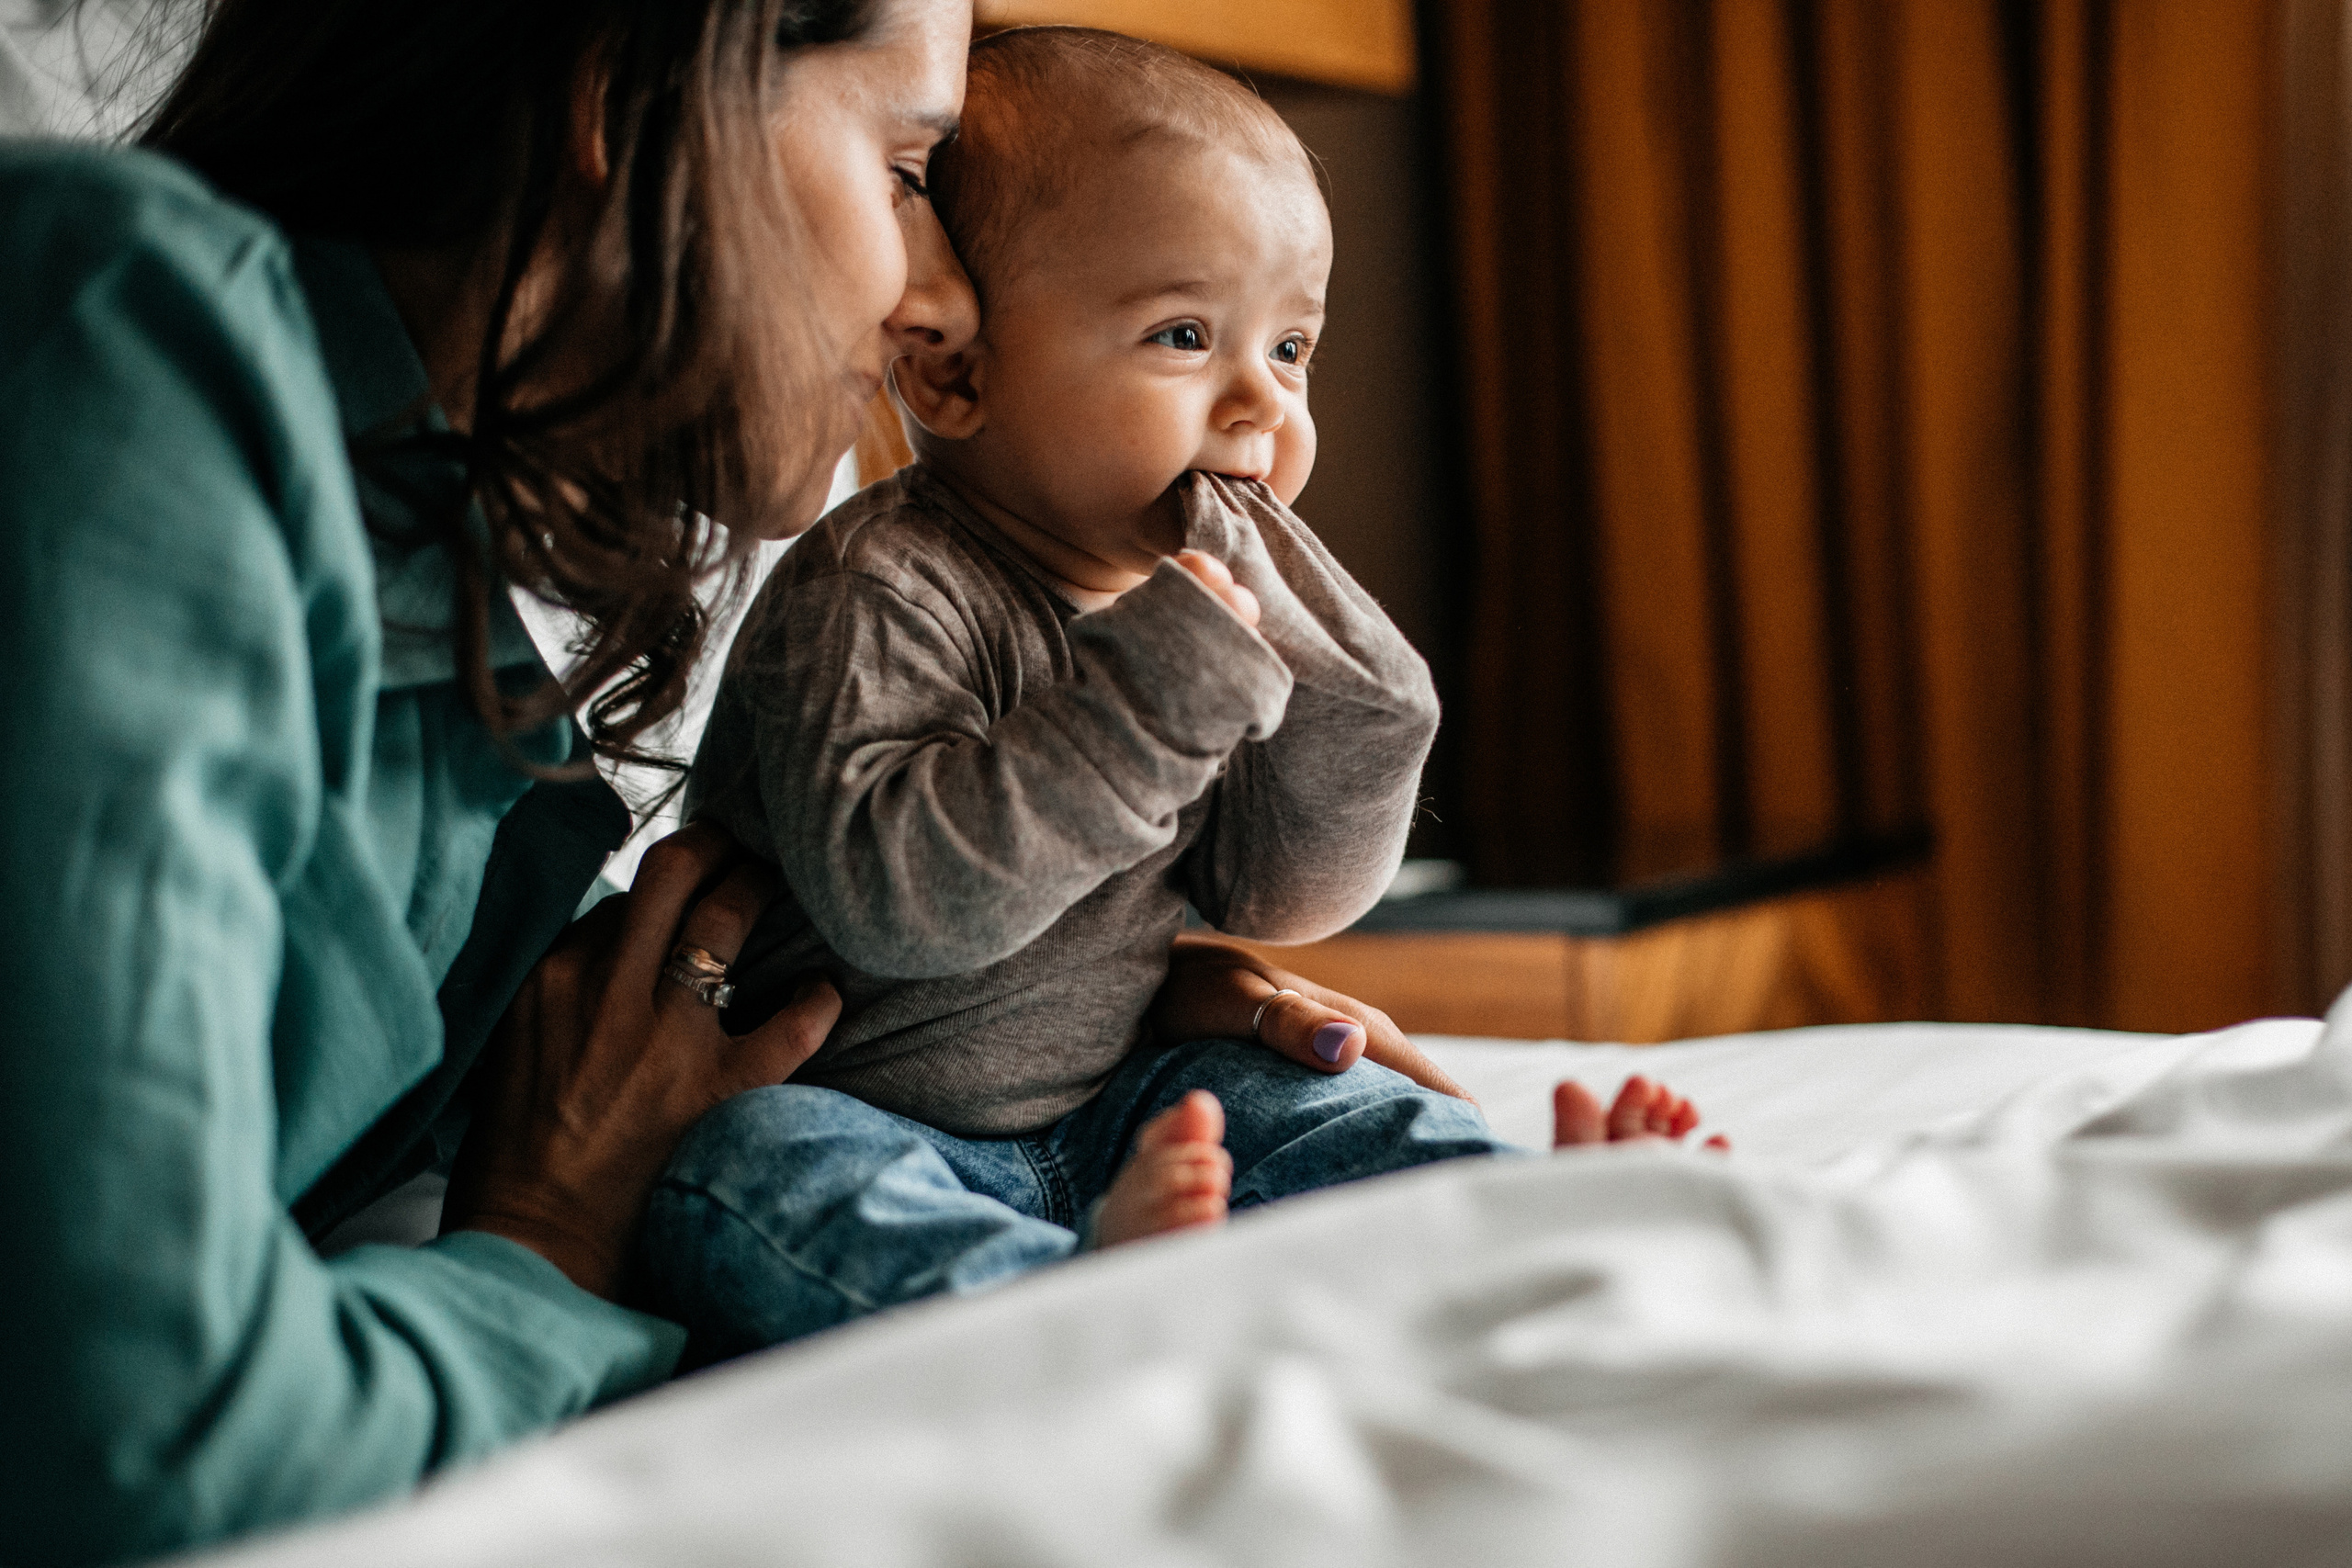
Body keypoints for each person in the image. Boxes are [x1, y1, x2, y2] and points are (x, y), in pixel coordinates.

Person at [0, 2, 1453, 1561]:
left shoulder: (445, 661)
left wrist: (1060, 1012)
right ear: (624, 92)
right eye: (910, 168)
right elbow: (144, 1451)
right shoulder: (117, 323)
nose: (941, 301)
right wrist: (543, 1246)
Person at [639, 28, 1722, 1361]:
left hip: (1122, 1103)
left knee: (1329, 1103)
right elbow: (897, 900)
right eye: (1186, 335)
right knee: (741, 1175)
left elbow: (1281, 899)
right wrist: (1147, 705)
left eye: (1293, 348)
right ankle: (1065, 1315)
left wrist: (1371, 706)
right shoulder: (878, 584)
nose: (1259, 402)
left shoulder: (1195, 616)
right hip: (866, 1110)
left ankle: (1523, 1221)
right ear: (956, 374)